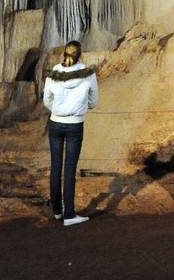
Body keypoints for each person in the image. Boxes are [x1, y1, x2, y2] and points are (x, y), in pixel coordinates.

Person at [43, 40, 98, 226]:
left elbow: (46, 101)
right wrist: (80, 108)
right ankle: (69, 215)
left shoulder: (54, 73)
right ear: (80, 55)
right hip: (75, 125)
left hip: (55, 123)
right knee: (69, 169)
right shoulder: (88, 74)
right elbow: (93, 101)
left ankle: (57, 211)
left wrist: (58, 110)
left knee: (55, 167)